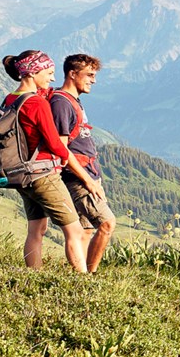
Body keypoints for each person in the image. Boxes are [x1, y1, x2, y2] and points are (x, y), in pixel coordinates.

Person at [0, 50, 88, 273]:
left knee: (36, 229)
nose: (52, 78)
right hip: (42, 174)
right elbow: (56, 144)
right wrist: (85, 176)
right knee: (75, 230)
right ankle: (84, 283)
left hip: (21, 174)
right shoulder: (37, 103)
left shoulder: (11, 98)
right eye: (48, 73)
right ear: (32, 72)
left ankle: (34, 276)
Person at [51, 54, 116, 273]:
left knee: (86, 230)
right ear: (72, 73)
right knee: (107, 224)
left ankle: (81, 277)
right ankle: (92, 275)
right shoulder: (61, 103)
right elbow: (61, 149)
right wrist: (87, 180)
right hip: (78, 177)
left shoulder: (73, 101)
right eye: (89, 75)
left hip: (89, 173)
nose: (93, 80)